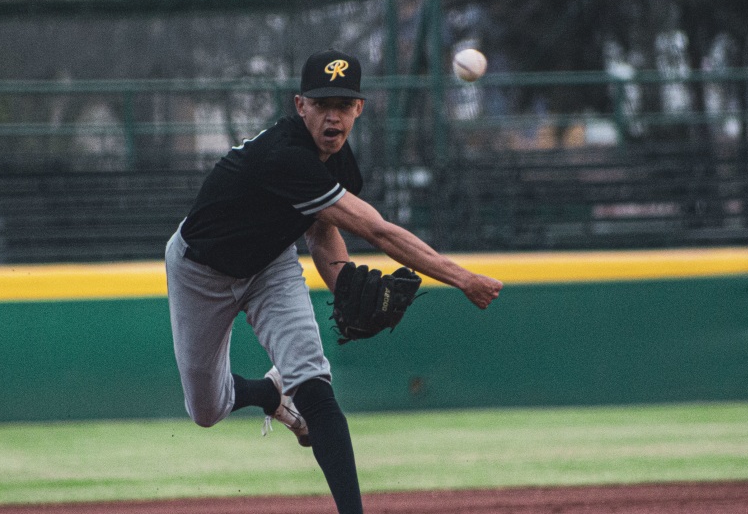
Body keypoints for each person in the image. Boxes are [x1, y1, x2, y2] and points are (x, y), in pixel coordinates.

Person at [164, 49, 503, 514]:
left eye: (343, 105)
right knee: (206, 411)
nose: (333, 116)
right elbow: (379, 232)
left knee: (314, 385)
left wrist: (342, 282)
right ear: (300, 105)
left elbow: (322, 232)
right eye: (322, 104)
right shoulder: (286, 156)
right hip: (200, 270)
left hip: (270, 265)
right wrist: (463, 279)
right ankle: (269, 393)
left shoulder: (340, 163)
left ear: (358, 108)